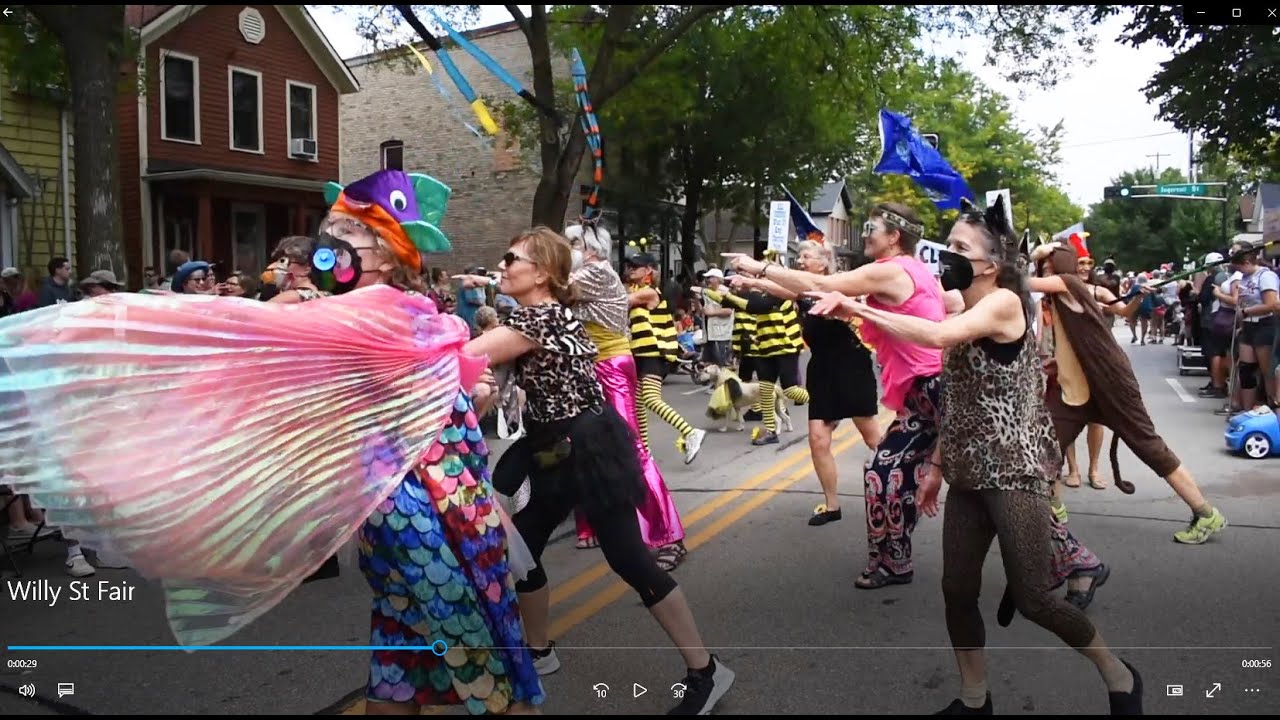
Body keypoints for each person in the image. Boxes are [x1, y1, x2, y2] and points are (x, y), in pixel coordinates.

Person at [0, 169, 545, 716]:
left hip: (435, 520)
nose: (330, 243)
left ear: (385, 252)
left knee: (471, 663)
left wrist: (100, 326)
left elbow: (237, 332)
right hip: (412, 516)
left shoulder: (383, 310)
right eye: (329, 228)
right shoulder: (403, 312)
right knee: (408, 661)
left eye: (348, 233)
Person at [807, 195, 1142, 715]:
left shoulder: (1004, 303)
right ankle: (974, 698)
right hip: (966, 472)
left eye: (961, 248)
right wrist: (936, 468)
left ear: (992, 262)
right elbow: (958, 396)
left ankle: (1118, 673)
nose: (949, 255)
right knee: (957, 591)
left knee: (1033, 599)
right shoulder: (964, 301)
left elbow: (938, 333)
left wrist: (855, 306)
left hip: (1014, 473)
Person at [460, 227, 734, 715]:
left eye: (511, 258)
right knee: (522, 548)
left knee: (628, 558)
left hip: (584, 449)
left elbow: (462, 355)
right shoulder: (542, 313)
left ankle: (706, 671)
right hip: (554, 447)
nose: (502, 266)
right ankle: (538, 651)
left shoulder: (537, 318)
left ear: (541, 272)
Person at [726, 203, 944, 589]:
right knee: (881, 474)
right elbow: (838, 300)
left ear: (894, 237)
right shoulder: (905, 272)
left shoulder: (893, 269)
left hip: (939, 388)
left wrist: (756, 267)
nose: (864, 234)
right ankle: (893, 561)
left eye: (871, 228)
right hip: (917, 395)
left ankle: (1065, 555)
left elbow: (825, 288)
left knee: (987, 486)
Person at [1029, 241, 1227, 544]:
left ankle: (1205, 513)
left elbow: (1016, 281)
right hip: (1077, 389)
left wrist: (1036, 253)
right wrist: (1061, 362)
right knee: (1046, 447)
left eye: (1046, 266)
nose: (1042, 270)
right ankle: (1054, 513)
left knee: (1151, 448)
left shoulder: (1066, 283)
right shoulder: (1058, 295)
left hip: (1110, 384)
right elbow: (1077, 339)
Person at [562, 222, 688, 571]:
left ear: (589, 248)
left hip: (611, 366)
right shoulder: (587, 273)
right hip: (588, 368)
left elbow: (555, 289)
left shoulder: (596, 274)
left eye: (571, 243)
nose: (564, 250)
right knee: (582, 448)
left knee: (631, 449)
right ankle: (592, 524)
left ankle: (668, 536)